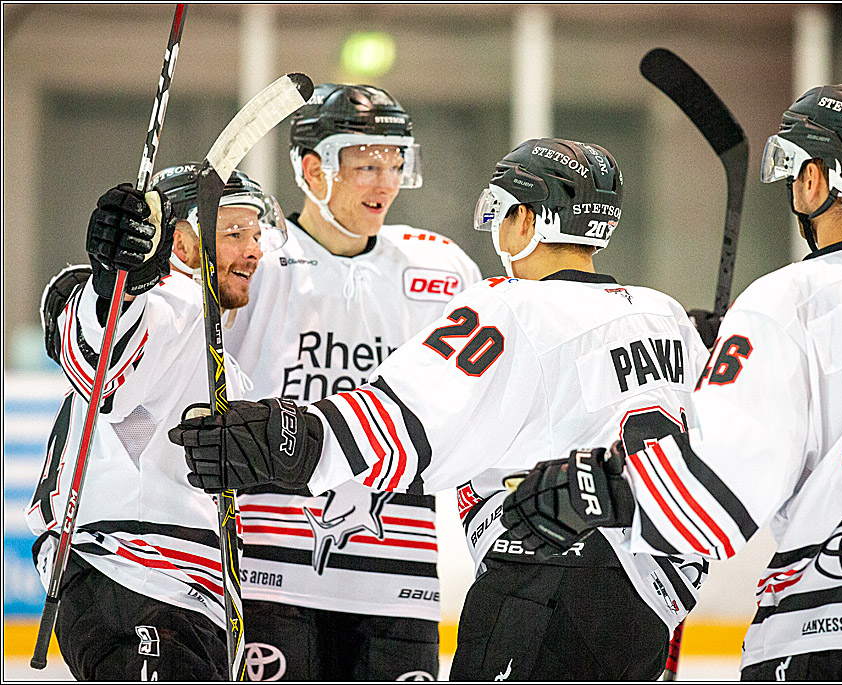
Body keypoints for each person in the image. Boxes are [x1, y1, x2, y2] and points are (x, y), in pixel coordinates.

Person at [501, 85, 842, 680]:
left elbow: (726, 477)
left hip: (829, 622)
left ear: (815, 181)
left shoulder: (784, 299)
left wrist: (597, 485)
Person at [171, 138, 711, 680]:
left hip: (543, 587)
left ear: (526, 220)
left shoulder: (512, 305)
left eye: (500, 212)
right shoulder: (666, 316)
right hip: (649, 603)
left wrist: (283, 439)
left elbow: (402, 421)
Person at [217, 83, 481, 681]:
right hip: (269, 567)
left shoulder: (439, 268)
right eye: (365, 164)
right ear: (314, 169)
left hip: (400, 576)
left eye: (396, 162)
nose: (384, 183)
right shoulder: (254, 263)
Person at [27, 165, 284, 680]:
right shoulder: (174, 302)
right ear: (181, 245)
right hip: (139, 579)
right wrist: (117, 285)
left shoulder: (209, 338)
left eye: (256, 235)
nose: (252, 251)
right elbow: (99, 358)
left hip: (169, 596)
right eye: (232, 233)